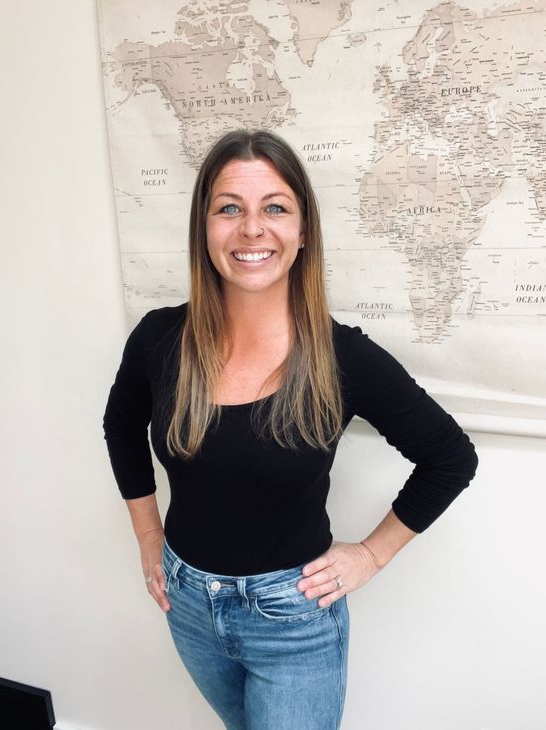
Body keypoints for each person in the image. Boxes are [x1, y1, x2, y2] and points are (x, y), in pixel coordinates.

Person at [102, 128, 478, 730]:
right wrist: (149, 537)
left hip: (294, 621)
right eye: (230, 208)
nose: (252, 229)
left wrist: (371, 556)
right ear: (205, 229)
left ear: (303, 233)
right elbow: (120, 426)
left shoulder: (342, 358)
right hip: (189, 604)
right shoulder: (159, 339)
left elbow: (450, 457)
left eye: (275, 208)